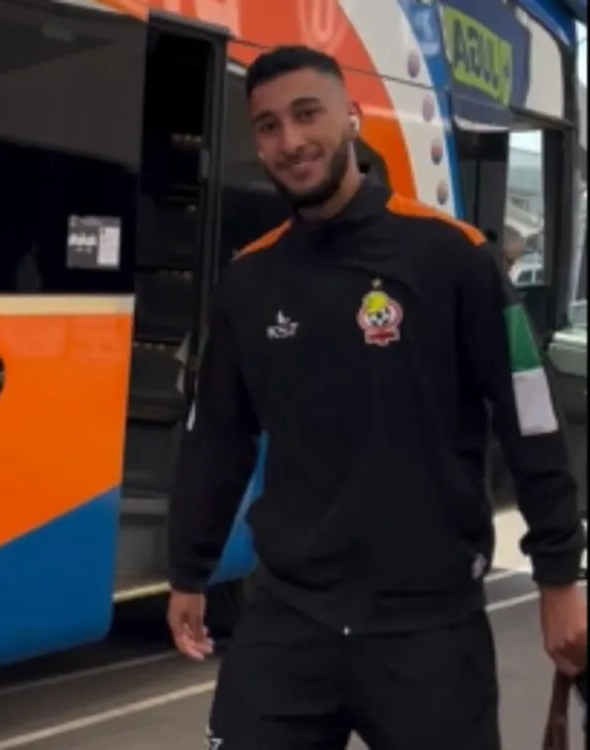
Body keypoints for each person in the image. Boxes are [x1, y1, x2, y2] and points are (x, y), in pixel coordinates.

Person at [167, 45, 587, 750]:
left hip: (429, 629)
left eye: (308, 115)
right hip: (289, 621)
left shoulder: (455, 257)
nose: (291, 140)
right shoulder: (249, 280)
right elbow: (219, 437)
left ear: (353, 119)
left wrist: (558, 576)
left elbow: (531, 417)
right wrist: (189, 569)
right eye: (268, 125)